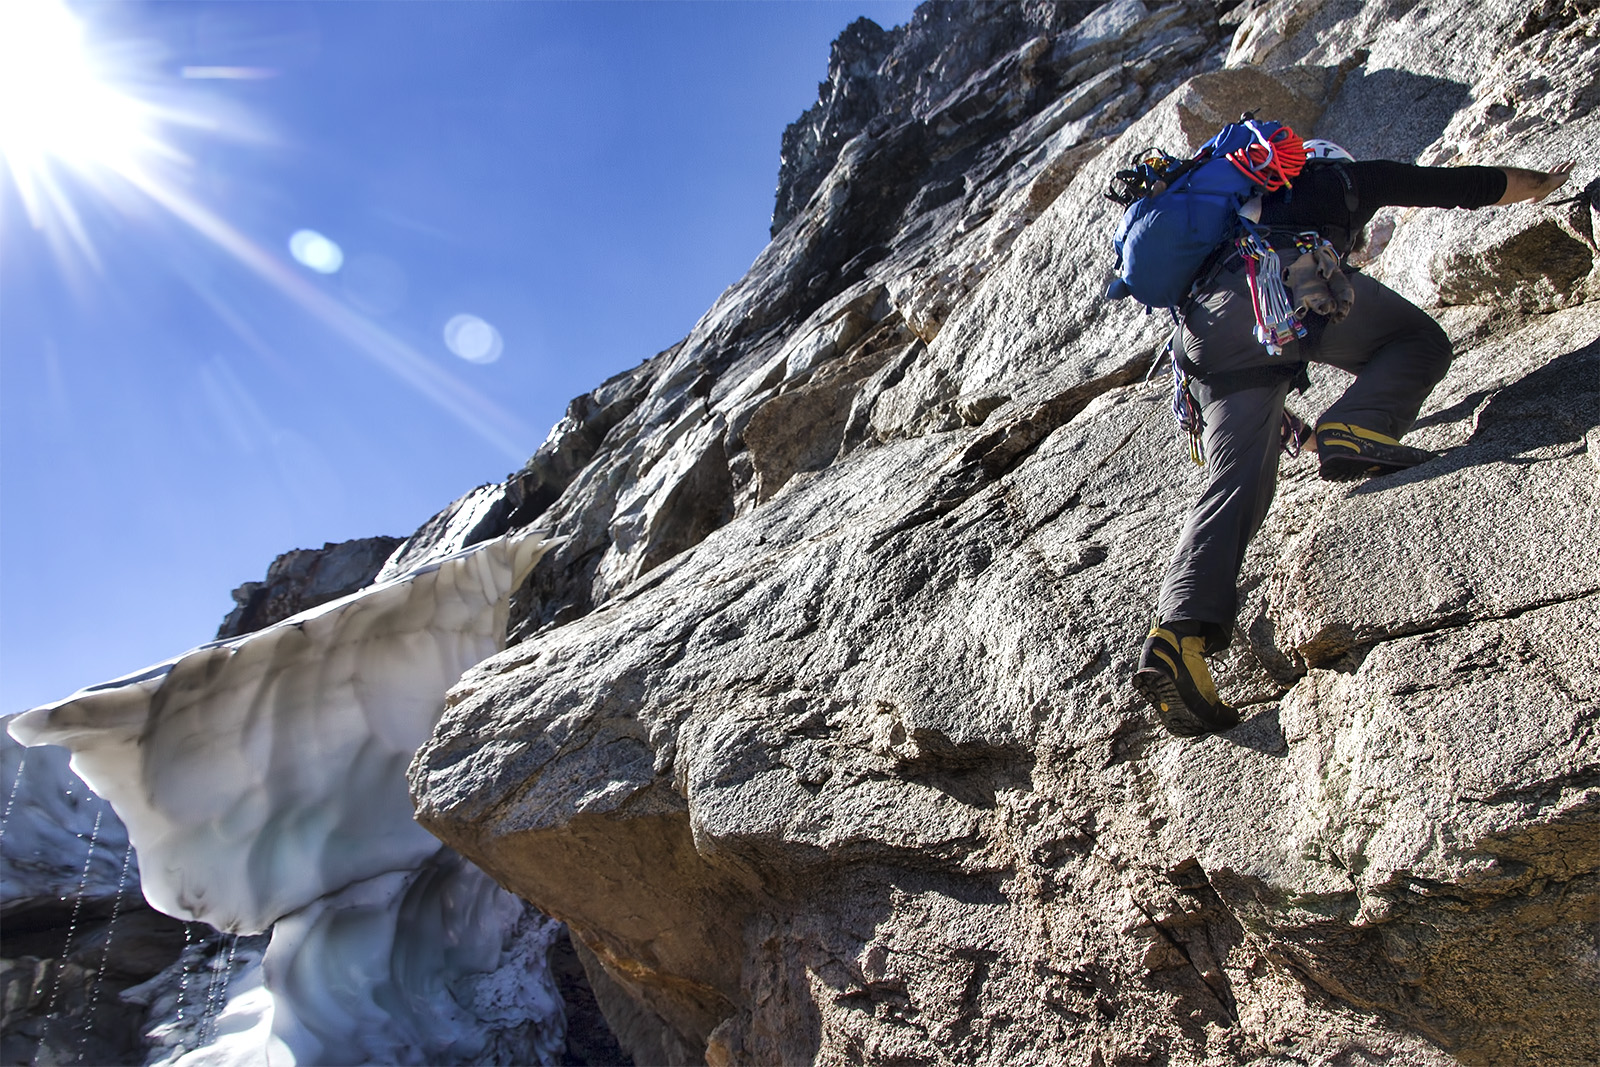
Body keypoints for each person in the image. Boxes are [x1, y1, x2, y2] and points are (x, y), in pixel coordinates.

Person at [1132, 141, 1575, 738]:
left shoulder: (1221, 221)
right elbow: (1460, 188)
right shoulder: (1339, 177)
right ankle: (1359, 425)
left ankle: (1176, 637)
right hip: (1286, 281)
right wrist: (1540, 183)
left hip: (1203, 336)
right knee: (1418, 342)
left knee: (1233, 485)